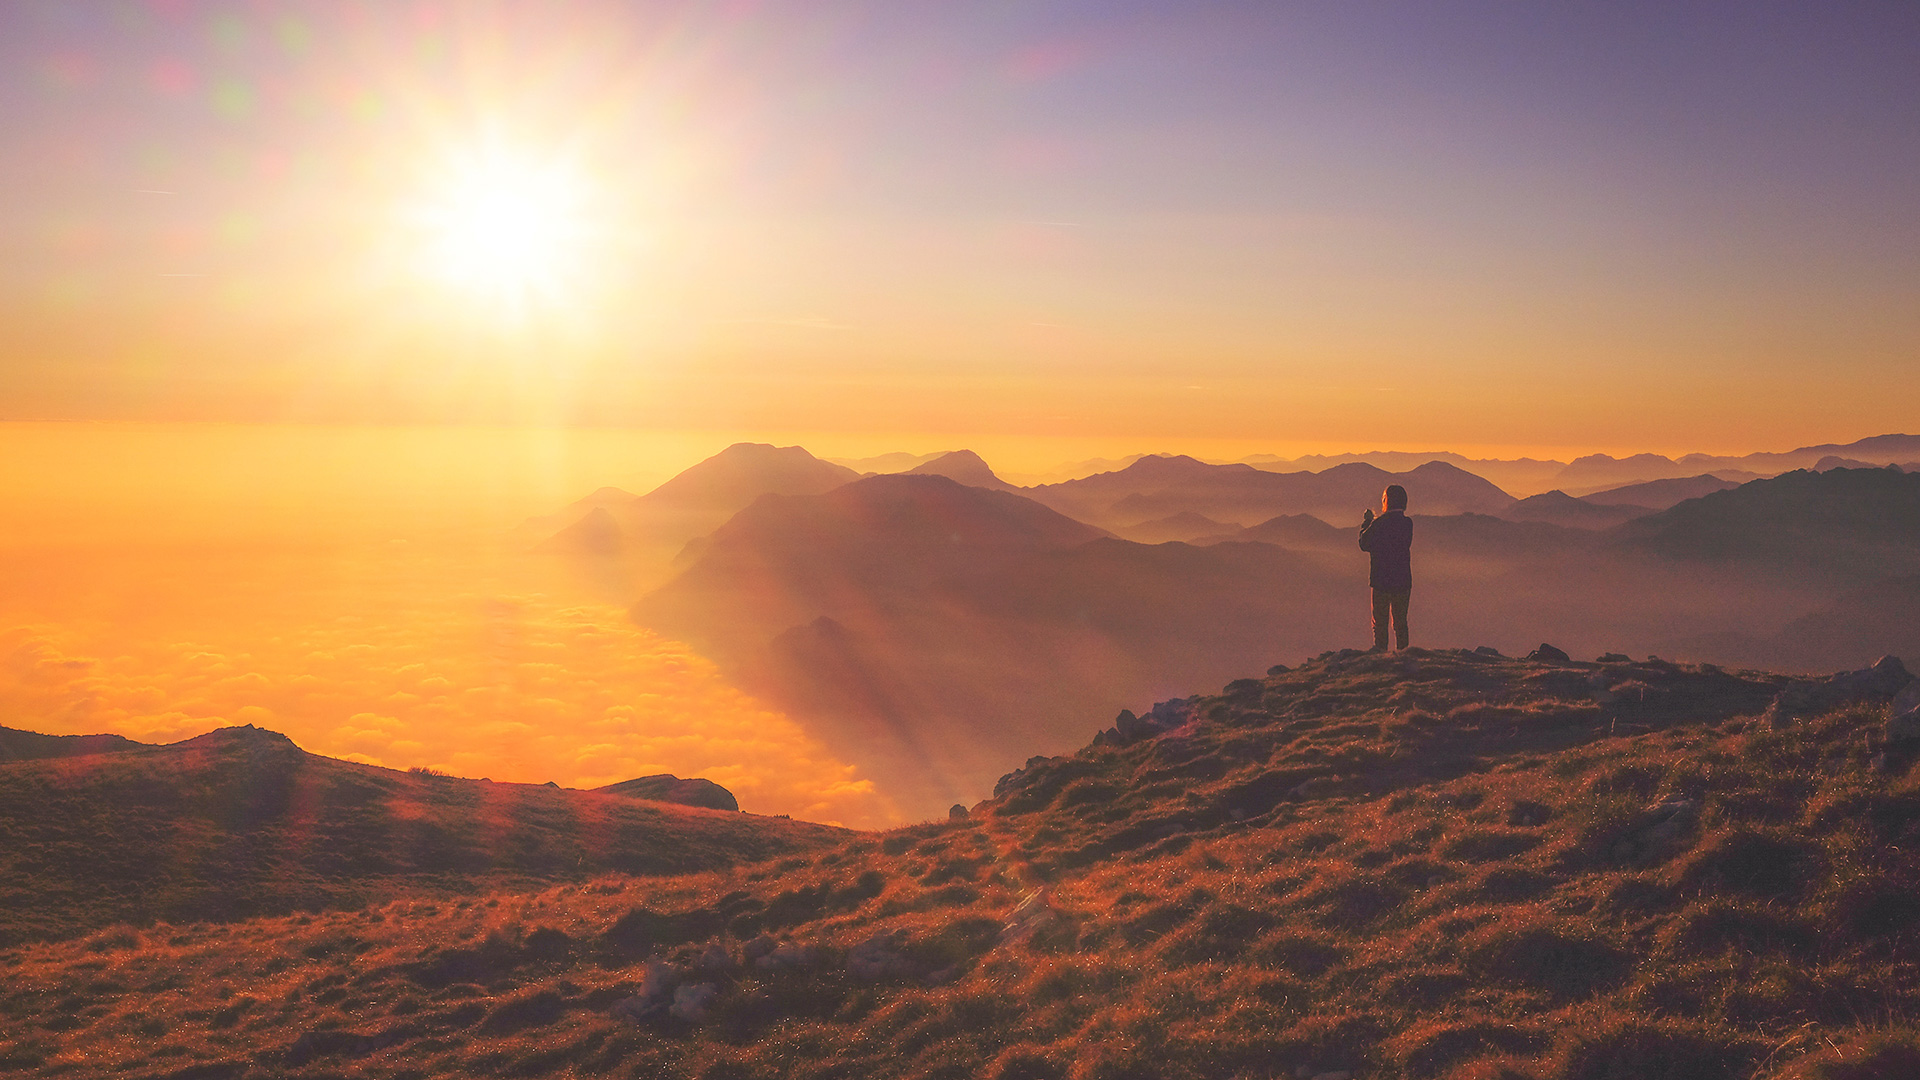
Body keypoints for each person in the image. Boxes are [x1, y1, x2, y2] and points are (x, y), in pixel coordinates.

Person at [1358, 484, 1412, 651]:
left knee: (1380, 622)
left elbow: (1364, 544)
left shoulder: (1379, 524)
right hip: (1402, 580)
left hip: (1381, 580)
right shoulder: (1407, 523)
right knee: (1400, 621)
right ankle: (1403, 654)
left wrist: (1367, 522)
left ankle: (1381, 653)